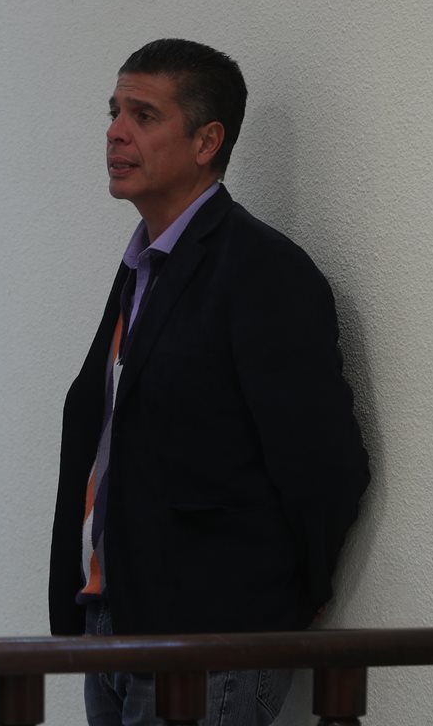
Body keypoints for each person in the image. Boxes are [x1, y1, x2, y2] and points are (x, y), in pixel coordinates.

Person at [48, 38, 371, 726]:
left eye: (143, 114)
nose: (115, 133)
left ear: (206, 141)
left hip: (211, 637)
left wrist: (271, 607)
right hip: (111, 622)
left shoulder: (262, 272)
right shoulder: (140, 270)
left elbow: (327, 466)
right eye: (113, 112)